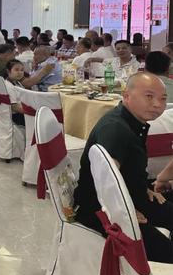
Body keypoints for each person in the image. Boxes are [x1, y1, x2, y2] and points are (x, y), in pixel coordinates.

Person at [73, 73, 172, 263]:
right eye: (149, 96)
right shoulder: (115, 128)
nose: (157, 104)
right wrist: (126, 212)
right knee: (167, 254)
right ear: (126, 96)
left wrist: (143, 187)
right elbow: (104, 177)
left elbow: (125, 169)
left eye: (163, 98)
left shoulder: (131, 121)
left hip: (131, 195)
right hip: (104, 211)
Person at [4, 59, 26, 126]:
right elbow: (14, 107)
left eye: (22, 70)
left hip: (22, 110)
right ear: (8, 71)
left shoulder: (17, 82)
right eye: (16, 70)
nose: (20, 72)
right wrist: (31, 111)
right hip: (17, 116)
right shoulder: (9, 86)